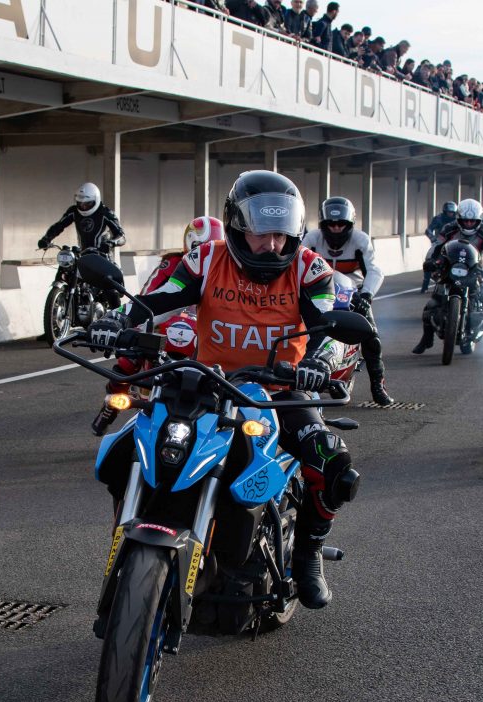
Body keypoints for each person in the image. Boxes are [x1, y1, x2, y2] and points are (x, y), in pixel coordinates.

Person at [84, 171, 361, 609]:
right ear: (235, 228)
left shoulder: (311, 269)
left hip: (279, 391)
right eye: (261, 234)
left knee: (334, 465)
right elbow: (156, 298)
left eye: (281, 234)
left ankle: (308, 553)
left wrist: (318, 363)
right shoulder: (205, 259)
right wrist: (117, 321)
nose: (272, 245)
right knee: (124, 452)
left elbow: (333, 326)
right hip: (202, 381)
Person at [90, 215, 225, 435]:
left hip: (201, 330)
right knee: (128, 359)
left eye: (213, 247)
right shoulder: (171, 263)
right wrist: (128, 324)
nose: (206, 252)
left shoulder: (223, 271)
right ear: (189, 243)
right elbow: (147, 295)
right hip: (165, 324)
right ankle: (110, 406)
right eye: (201, 247)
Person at [301, 196, 394, 406]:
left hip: (353, 288)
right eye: (331, 224)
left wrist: (367, 295)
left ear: (349, 224)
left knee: (372, 335)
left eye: (340, 224)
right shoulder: (312, 239)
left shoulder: (361, 240)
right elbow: (297, 264)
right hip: (318, 287)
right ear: (323, 224)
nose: (335, 229)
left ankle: (378, 385)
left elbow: (374, 270)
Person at [414, 199, 483, 353]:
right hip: (451, 268)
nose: (468, 224)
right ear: (459, 218)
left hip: (476, 270)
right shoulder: (448, 228)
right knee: (431, 305)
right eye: (465, 220)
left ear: (478, 220)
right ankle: (426, 339)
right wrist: (430, 262)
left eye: (472, 221)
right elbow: (436, 247)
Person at [38, 183, 127, 304]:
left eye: (87, 204)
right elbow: (59, 225)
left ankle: (115, 315)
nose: (83, 206)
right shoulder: (74, 211)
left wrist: (110, 243)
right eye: (80, 203)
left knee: (110, 286)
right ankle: (63, 300)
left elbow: (121, 235)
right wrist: (46, 239)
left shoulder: (106, 213)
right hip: (82, 253)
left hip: (102, 255)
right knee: (67, 270)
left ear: (96, 200)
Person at [421, 201, 457, 293]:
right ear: (445, 211)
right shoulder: (438, 218)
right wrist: (433, 238)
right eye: (449, 212)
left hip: (455, 243)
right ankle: (425, 284)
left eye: (452, 212)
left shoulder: (458, 220)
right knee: (429, 258)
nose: (451, 214)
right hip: (440, 242)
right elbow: (428, 230)